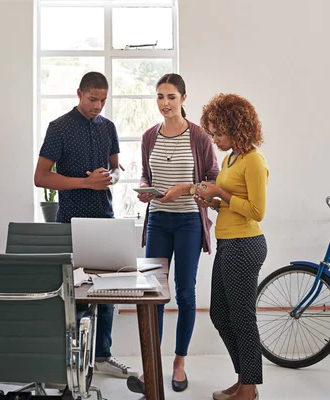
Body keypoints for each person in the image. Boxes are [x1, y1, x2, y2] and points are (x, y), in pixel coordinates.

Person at [34, 71, 137, 379]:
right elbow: (40, 177)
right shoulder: (59, 128)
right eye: (93, 99)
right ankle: (72, 360)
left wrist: (111, 178)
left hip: (105, 218)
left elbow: (116, 167)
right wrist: (85, 183)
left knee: (110, 292)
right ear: (79, 93)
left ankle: (103, 356)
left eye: (103, 100)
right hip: (70, 222)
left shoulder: (109, 127)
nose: (98, 106)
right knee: (76, 294)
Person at [126, 73, 219, 394]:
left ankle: (179, 362)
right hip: (158, 222)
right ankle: (152, 365)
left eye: (171, 97)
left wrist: (186, 190)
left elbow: (213, 179)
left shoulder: (200, 137)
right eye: (160, 97)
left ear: (183, 98)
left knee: (185, 292)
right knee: (152, 295)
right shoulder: (149, 136)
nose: (164, 103)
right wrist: (143, 190)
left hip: (190, 222)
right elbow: (145, 174)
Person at [195, 93, 268, 400]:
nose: (214, 139)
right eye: (212, 133)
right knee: (220, 315)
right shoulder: (230, 159)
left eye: (219, 133)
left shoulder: (253, 160)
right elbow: (230, 204)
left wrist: (221, 196)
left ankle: (249, 389)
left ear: (237, 128)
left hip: (245, 244)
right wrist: (211, 201)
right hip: (228, 242)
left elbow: (257, 211)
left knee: (242, 317)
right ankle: (243, 380)